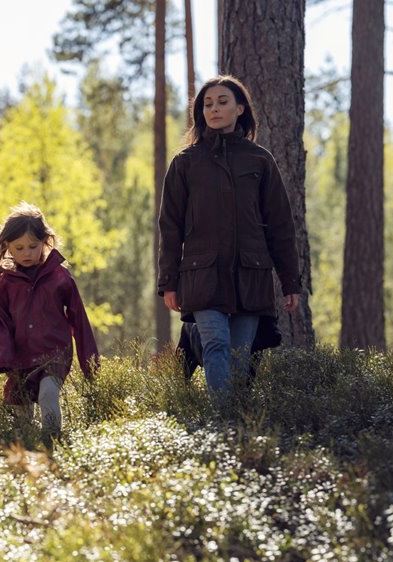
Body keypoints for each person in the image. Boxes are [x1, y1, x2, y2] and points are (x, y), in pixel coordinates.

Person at [157, 75, 301, 406]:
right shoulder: (185, 163)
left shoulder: (260, 160)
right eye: (207, 104)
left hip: (251, 276)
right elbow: (170, 227)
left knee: (239, 354)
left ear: (240, 109)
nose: (214, 109)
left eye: (222, 102)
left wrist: (290, 282)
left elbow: (280, 226)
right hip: (201, 276)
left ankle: (236, 425)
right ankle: (222, 420)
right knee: (216, 345)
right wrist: (168, 282)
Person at [0, 202, 98, 442]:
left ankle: (52, 441)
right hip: (19, 360)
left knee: (48, 394)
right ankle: (29, 451)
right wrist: (3, 359)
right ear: (8, 248)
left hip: (54, 355)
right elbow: (0, 324)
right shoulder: (6, 284)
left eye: (33, 246)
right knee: (20, 414)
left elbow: (79, 318)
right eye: (19, 247)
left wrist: (90, 362)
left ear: (45, 242)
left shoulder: (60, 277)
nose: (26, 253)